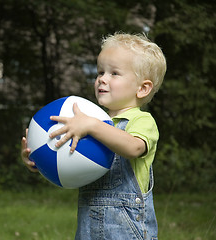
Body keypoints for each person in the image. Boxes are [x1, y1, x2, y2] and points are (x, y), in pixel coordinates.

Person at [21, 32, 167, 240]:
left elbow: (133, 148)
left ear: (142, 88)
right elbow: (64, 161)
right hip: (88, 230)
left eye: (114, 73)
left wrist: (92, 126)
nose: (102, 79)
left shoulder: (141, 121)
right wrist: (37, 156)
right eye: (100, 72)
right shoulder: (88, 120)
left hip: (127, 231)